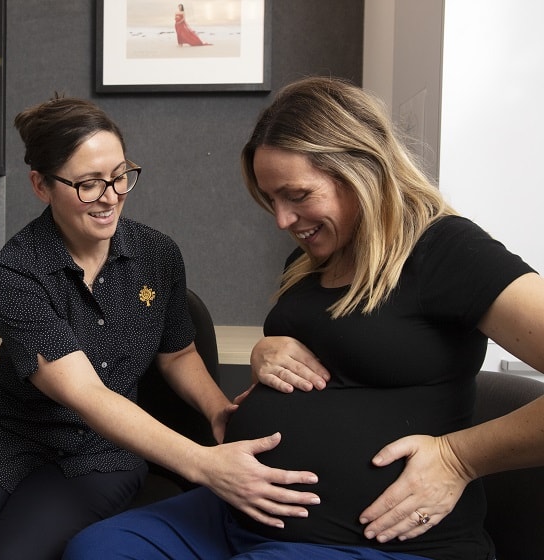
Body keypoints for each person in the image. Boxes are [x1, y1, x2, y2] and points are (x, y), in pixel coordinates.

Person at [63, 76, 544, 560]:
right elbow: (339, 351)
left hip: (379, 545)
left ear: (362, 169)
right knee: (97, 549)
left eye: (297, 195)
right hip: (243, 512)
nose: (282, 220)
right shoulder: (311, 257)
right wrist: (265, 349)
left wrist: (458, 458)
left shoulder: (445, 249)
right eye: (271, 199)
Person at [0, 96, 319, 560]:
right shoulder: (16, 273)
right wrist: (202, 464)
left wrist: (218, 409)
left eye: (120, 176)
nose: (111, 196)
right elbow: (86, 393)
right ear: (41, 185)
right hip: (2, 435)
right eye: (88, 184)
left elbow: (177, 353)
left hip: (102, 454)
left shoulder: (157, 254)